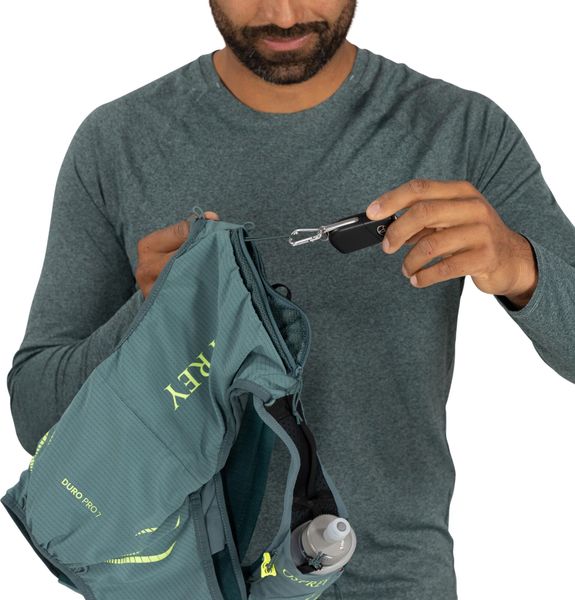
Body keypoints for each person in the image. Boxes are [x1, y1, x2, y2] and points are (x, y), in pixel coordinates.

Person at [6, 1, 575, 598]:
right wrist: (152, 318)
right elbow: (36, 415)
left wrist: (520, 265)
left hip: (394, 582)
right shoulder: (119, 142)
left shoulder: (460, 130)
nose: (282, 15)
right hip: (176, 580)